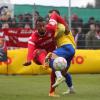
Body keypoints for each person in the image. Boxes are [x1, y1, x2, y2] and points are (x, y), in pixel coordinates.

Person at [23, 16, 59, 97]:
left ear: (45, 25)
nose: (42, 28)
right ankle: (45, 62)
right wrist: (29, 60)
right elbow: (30, 50)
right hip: (38, 57)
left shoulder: (51, 29)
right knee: (41, 51)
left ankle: (52, 92)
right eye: (40, 26)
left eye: (43, 25)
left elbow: (58, 24)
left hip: (51, 55)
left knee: (60, 68)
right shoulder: (33, 37)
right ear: (36, 27)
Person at [44, 9, 76, 94]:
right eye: (49, 17)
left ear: (56, 16)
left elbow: (61, 29)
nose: (49, 18)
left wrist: (53, 36)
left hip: (66, 47)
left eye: (51, 16)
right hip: (70, 50)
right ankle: (71, 89)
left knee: (50, 56)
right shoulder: (59, 25)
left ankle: (59, 77)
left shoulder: (60, 24)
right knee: (64, 71)